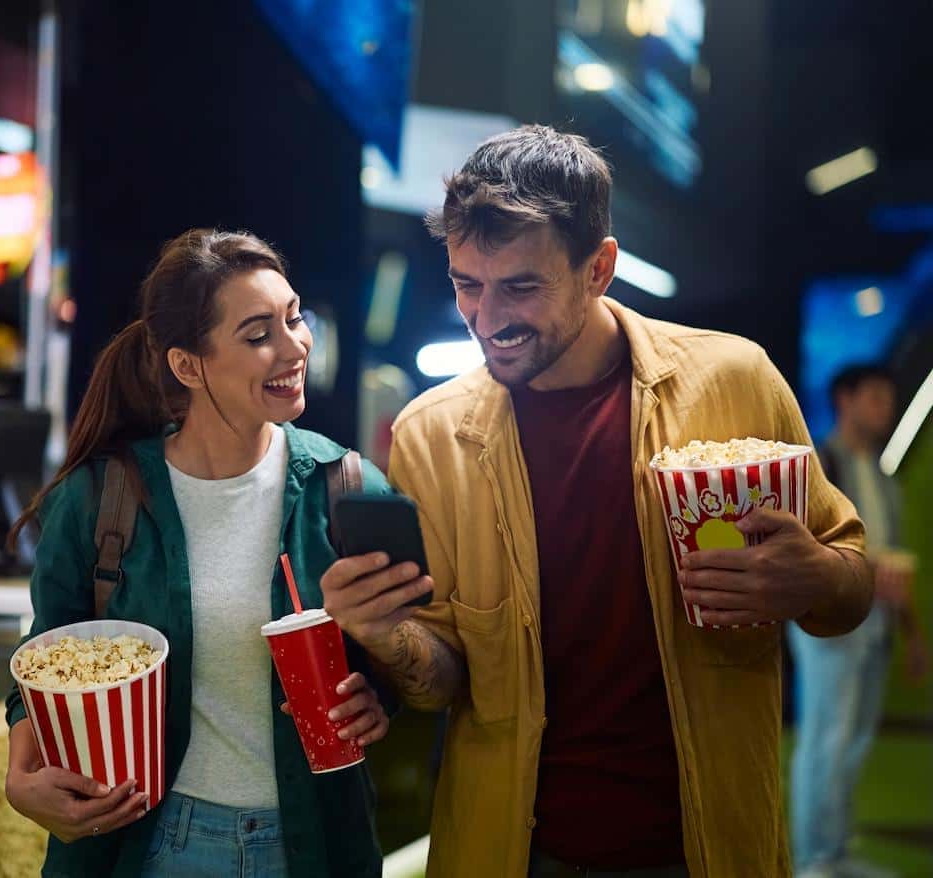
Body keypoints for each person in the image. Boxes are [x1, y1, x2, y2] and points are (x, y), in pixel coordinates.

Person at [320, 125, 874, 877]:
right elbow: (443, 676)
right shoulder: (431, 435)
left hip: (711, 844)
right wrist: (383, 634)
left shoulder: (736, 382)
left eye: (520, 286)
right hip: (515, 851)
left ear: (599, 268)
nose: (486, 319)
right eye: (465, 283)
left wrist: (814, 576)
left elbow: (851, 583)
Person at [3, 230, 394, 878]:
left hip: (314, 842)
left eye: (295, 317)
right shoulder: (101, 499)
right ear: (187, 365)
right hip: (147, 845)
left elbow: (412, 649)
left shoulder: (346, 488)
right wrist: (22, 773)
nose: (295, 345)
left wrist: (377, 694)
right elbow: (49, 653)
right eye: (258, 333)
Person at [788, 364, 927, 878]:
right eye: (873, 397)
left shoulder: (883, 474)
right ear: (844, 399)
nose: (884, 408)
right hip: (827, 622)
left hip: (877, 626)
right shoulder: (818, 466)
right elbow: (803, 549)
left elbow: (893, 558)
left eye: (887, 399)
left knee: (857, 738)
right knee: (825, 736)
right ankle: (813, 859)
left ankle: (837, 847)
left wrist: (913, 634)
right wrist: (871, 568)